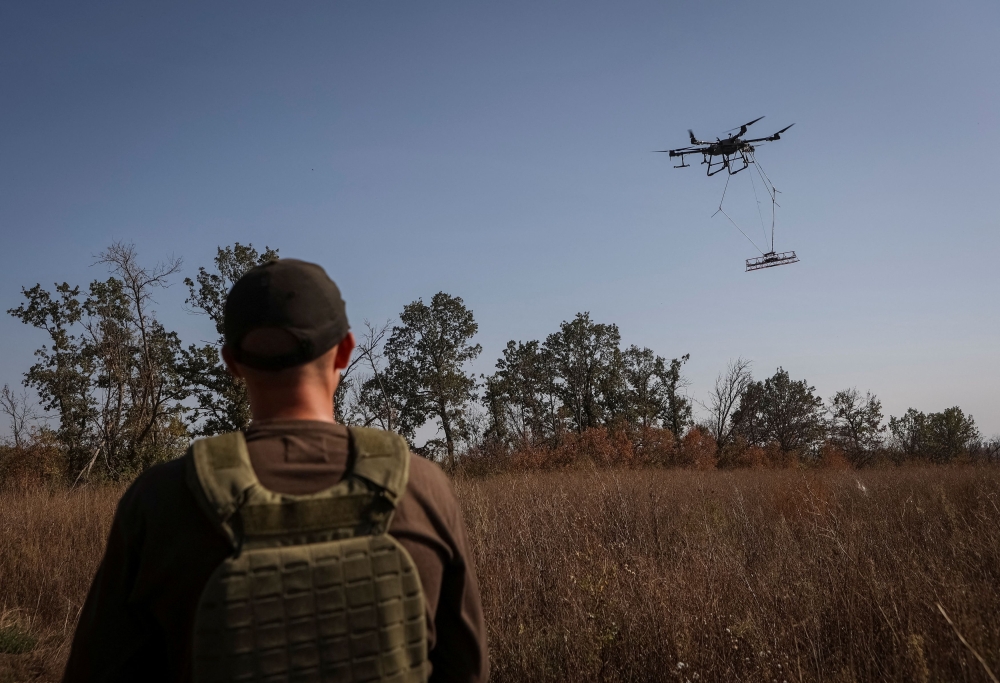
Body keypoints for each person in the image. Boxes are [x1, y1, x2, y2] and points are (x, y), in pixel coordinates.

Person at [63, 258, 489, 683]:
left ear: (232, 362)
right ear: (345, 350)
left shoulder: (160, 501)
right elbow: (467, 670)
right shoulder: (423, 488)